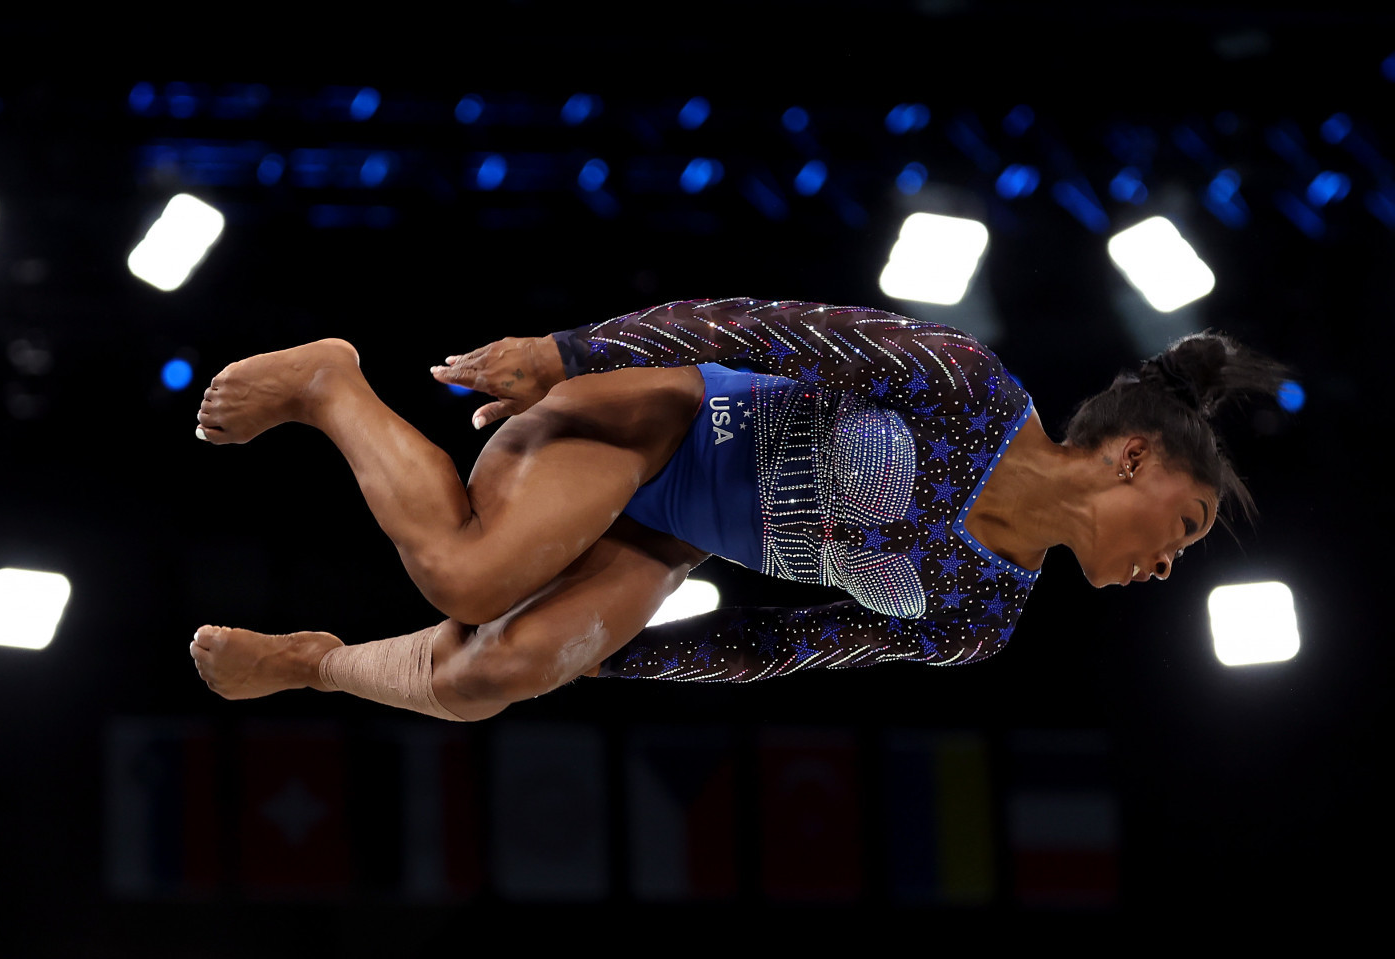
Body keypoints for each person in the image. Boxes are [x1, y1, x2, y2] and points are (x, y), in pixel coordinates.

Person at [187, 297, 1289, 721]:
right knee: (472, 581)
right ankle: (332, 381)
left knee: (491, 678)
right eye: (1183, 528)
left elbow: (778, 645)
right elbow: (755, 329)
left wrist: (590, 659)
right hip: (652, 422)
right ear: (1130, 456)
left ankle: (314, 663)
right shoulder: (967, 389)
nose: (1167, 565)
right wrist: (568, 354)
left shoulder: (976, 617)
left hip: (672, 539)